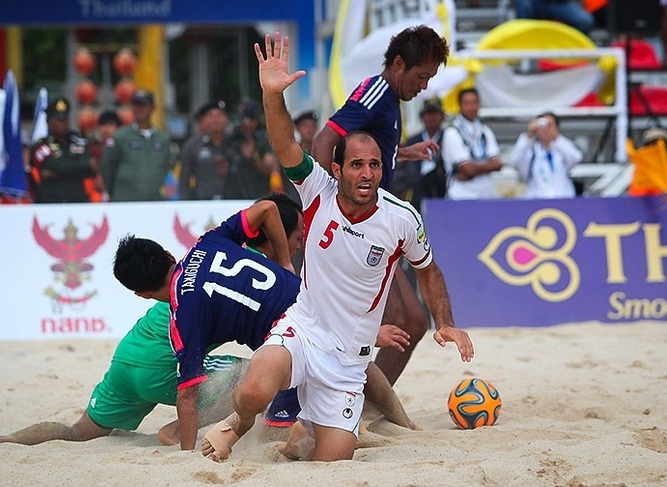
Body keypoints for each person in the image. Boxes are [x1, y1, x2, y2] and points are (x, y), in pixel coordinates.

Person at [199, 31, 473, 464]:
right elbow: (286, 144)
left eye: (375, 165)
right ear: (338, 169)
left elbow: (429, 269)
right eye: (357, 165)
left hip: (349, 363)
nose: (366, 174)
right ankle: (238, 423)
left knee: (329, 461)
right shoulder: (318, 190)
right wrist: (273, 97)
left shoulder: (402, 217)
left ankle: (314, 424)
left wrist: (447, 321)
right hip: (304, 332)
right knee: (252, 391)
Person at [112, 193, 414, 452]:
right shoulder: (208, 240)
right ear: (167, 253)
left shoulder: (183, 316)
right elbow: (269, 207)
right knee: (353, 362)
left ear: (142, 294)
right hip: (313, 301)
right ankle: (406, 426)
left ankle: (183, 432)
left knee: (282, 433)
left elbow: (188, 394)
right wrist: (284, 262)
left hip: (289, 338)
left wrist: (186, 455)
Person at [311, 25, 450, 386]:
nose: (424, 86)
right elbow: (324, 140)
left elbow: (369, 152)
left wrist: (402, 153)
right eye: (421, 76)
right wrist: (329, 203)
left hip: (376, 227)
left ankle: (366, 407)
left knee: (415, 322)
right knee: (393, 323)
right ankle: (342, 404)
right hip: (354, 230)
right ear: (399, 63)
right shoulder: (376, 91)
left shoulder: (390, 101)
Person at [0, 302, 248, 446]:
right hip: (162, 369)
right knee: (249, 374)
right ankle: (176, 430)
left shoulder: (190, 273)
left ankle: (9, 440)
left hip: (126, 360)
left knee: (76, 433)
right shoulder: (239, 281)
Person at [100, 89, 173, 201]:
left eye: (143, 105)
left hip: (155, 201)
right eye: (136, 105)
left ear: (152, 108)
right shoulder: (120, 137)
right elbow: (107, 169)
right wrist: (116, 194)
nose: (139, 109)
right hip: (126, 201)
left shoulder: (163, 139)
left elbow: (166, 167)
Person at [29, 97, 96, 203]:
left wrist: (64, 167)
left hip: (78, 201)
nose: (63, 123)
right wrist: (79, 166)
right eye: (58, 119)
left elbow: (91, 167)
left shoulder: (79, 141)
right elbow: (58, 166)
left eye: (65, 119)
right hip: (51, 202)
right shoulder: (41, 146)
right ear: (48, 121)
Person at [443, 87, 503, 200]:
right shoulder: (452, 132)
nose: (471, 107)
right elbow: (467, 169)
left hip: (486, 195)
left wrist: (473, 171)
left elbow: (498, 164)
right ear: (459, 105)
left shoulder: (485, 130)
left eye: (474, 103)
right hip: (461, 196)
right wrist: (488, 166)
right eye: (467, 103)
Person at [509, 112, 584, 198]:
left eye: (550, 125)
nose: (546, 129)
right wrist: (529, 135)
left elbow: (576, 157)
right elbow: (515, 160)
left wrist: (556, 138)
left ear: (557, 127)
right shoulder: (531, 151)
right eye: (542, 125)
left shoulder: (562, 148)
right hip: (537, 202)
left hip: (563, 200)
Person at [391, 97, 447, 211]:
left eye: (435, 113)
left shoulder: (449, 138)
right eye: (428, 113)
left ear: (442, 116)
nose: (431, 117)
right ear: (422, 116)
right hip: (417, 197)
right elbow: (403, 171)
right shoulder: (412, 142)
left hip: (444, 195)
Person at [179, 101, 233, 200]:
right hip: (203, 203)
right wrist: (184, 203)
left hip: (234, 201)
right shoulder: (193, 145)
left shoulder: (235, 143)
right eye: (210, 116)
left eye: (220, 115)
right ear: (203, 120)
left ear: (226, 119)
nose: (215, 120)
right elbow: (184, 178)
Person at [87, 110, 122, 202]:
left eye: (110, 125)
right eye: (103, 125)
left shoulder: (123, 150)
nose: (106, 129)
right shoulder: (92, 149)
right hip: (95, 194)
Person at [514, 0, 595, 35]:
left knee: (585, 20)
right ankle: (525, 41)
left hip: (558, 4)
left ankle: (564, 44)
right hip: (534, 3)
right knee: (523, 3)